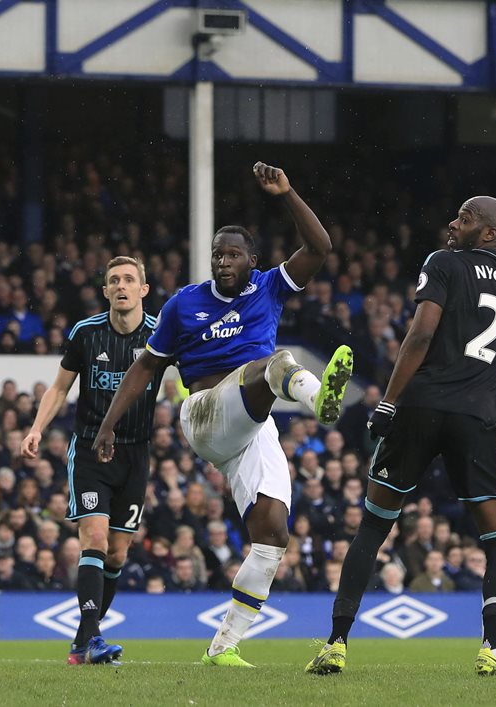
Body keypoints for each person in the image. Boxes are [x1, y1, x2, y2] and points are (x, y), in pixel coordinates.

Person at [93, 163, 352, 668]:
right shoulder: (183, 305)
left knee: (273, 536)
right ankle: (319, 398)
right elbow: (145, 368)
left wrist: (288, 192)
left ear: (252, 261)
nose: (222, 261)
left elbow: (320, 248)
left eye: (233, 254)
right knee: (275, 364)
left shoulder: (269, 287)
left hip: (253, 428)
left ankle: (223, 646)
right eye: (217, 254)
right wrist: (108, 423)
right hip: (206, 413)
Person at [308, 196, 496, 678]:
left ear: (487, 234)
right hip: (475, 418)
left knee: (374, 527)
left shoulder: (443, 263)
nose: (451, 223)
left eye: (464, 218)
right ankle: (493, 650)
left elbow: (419, 336)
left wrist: (387, 401)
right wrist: (488, 381)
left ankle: (336, 643)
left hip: (417, 408)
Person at [22, 256, 158, 666]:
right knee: (94, 540)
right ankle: (95, 637)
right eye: (113, 280)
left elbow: (191, 381)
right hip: (90, 451)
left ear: (143, 290)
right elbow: (60, 388)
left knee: (117, 554)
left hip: (136, 453)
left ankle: (83, 641)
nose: (121, 286)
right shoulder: (85, 334)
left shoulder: (159, 336)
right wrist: (36, 428)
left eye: (129, 280)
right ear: (105, 292)